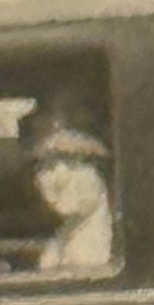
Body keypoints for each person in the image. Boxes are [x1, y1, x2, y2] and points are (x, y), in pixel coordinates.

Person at [21, 103, 115, 271]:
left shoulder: (119, 248)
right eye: (46, 164)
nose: (60, 178)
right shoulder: (53, 251)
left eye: (75, 161)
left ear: (103, 173)